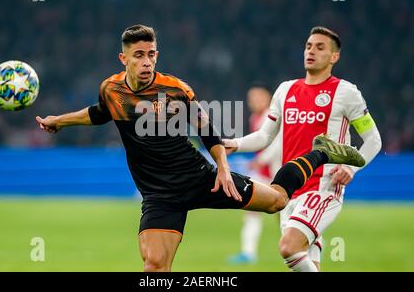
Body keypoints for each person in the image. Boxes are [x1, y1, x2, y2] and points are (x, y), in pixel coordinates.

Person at [36, 24, 365, 272]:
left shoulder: (175, 89)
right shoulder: (111, 90)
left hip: (201, 177)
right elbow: (98, 113)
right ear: (124, 59)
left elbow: (208, 131)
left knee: (278, 201)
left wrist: (222, 166)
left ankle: (320, 151)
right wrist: (60, 121)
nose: (147, 62)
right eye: (139, 56)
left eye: (152, 54)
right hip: (159, 195)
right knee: (154, 267)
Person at [223, 26, 382, 272]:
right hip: (289, 191)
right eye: (308, 46)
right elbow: (266, 135)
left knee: (288, 247)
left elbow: (373, 139)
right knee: (306, 261)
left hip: (323, 187)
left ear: (334, 57)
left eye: (320, 47)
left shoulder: (346, 93)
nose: (311, 51)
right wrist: (235, 143)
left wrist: (351, 169)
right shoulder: (285, 90)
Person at [228, 84, 281, 264]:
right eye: (251, 98)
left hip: (276, 172)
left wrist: (262, 159)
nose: (254, 101)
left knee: (286, 213)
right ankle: (248, 253)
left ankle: (308, 245)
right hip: (263, 174)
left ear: (268, 99)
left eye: (258, 97)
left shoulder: (269, 115)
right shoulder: (255, 117)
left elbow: (277, 142)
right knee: (251, 210)